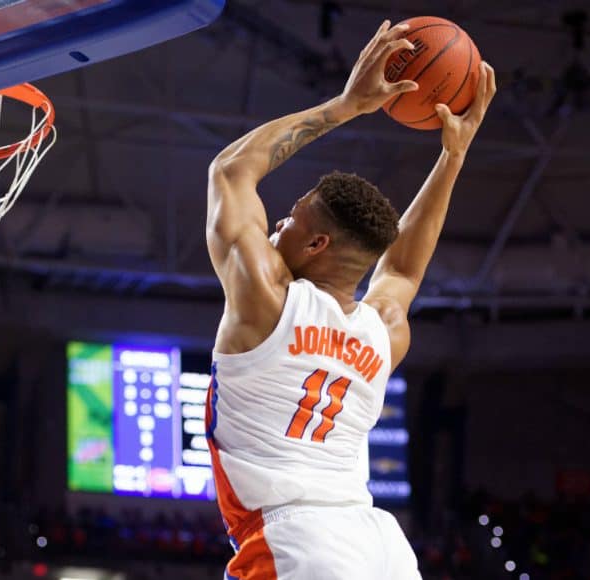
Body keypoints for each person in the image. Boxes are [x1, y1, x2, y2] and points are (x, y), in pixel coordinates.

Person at [203, 19, 496, 579]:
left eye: (289, 218)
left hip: (296, 543)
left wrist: (347, 105)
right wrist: (452, 157)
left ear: (316, 244)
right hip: (378, 546)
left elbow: (232, 169)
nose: (278, 224)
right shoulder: (381, 329)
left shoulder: (266, 299)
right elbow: (405, 268)